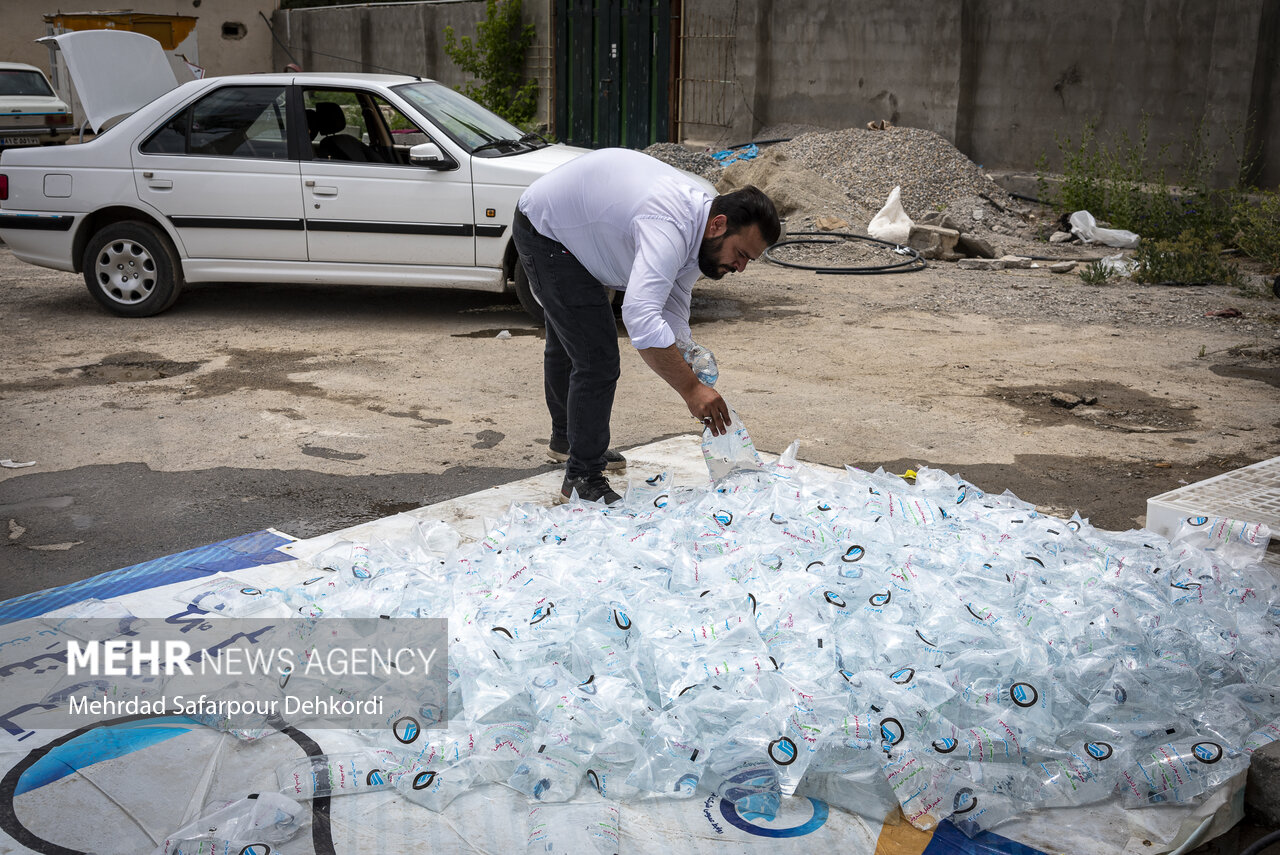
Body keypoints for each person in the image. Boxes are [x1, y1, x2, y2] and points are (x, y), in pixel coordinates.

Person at [513, 147, 781, 505]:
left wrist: (687, 351)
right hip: (546, 231)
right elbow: (640, 315)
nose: (741, 267)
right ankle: (582, 474)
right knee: (596, 357)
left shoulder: (701, 227)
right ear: (719, 225)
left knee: (572, 340)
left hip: (578, 231)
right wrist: (691, 390)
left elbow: (672, 298)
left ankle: (571, 441)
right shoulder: (670, 225)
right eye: (741, 254)